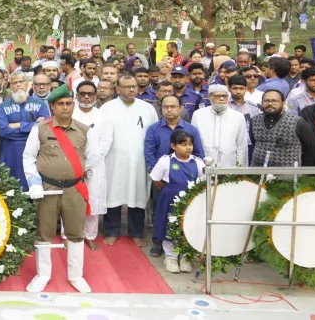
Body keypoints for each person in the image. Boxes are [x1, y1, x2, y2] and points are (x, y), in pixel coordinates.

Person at [23, 85, 91, 293]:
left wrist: (75, 174)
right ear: (52, 106)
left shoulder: (84, 130)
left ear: (74, 104)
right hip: (47, 188)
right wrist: (34, 183)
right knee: (44, 232)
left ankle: (76, 275)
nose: (65, 107)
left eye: (69, 103)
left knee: (76, 233)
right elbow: (28, 158)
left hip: (74, 189)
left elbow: (91, 158)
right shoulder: (40, 129)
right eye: (60, 104)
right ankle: (43, 274)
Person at [102, 74, 158, 247]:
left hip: (138, 161)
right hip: (113, 160)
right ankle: (112, 231)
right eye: (127, 87)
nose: (132, 89)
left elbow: (153, 135)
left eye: (134, 86)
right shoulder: (107, 108)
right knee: (112, 193)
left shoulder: (147, 109)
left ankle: (136, 232)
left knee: (137, 194)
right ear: (118, 89)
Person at [151, 130, 205, 273]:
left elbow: (203, 181)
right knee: (170, 227)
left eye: (190, 144)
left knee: (188, 227)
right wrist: (169, 189)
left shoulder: (198, 163)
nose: (188, 147)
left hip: (191, 202)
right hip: (170, 200)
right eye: (183, 144)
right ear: (173, 146)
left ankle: (186, 255)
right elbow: (156, 178)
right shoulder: (165, 161)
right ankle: (171, 257)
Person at [71, 81, 113, 251]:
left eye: (90, 94)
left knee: (93, 200)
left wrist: (87, 165)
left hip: (95, 167)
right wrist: (78, 166)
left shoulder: (103, 117)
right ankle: (71, 235)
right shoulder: (70, 114)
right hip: (72, 166)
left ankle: (89, 236)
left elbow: (105, 144)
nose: (86, 97)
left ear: (96, 97)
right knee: (71, 202)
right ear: (77, 95)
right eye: (82, 93)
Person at [0, 72, 50, 190]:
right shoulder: (2, 107)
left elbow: (44, 127)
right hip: (12, 152)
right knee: (12, 187)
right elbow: (3, 131)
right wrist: (33, 126)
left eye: (21, 82)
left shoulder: (40, 104)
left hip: (36, 151)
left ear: (27, 84)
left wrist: (18, 125)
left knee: (35, 186)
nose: (18, 85)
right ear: (10, 86)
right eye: (15, 82)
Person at [251, 90, 315, 167]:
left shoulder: (297, 122)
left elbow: (312, 150)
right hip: (257, 173)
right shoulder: (254, 120)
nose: (270, 104)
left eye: (274, 101)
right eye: (266, 101)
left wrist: (304, 173)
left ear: (283, 103)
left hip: (288, 176)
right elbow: (254, 143)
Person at [191, 84, 248, 167]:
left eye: (224, 96)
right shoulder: (198, 115)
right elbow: (194, 142)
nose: (221, 99)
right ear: (209, 97)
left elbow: (242, 146)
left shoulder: (238, 117)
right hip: (203, 164)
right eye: (218, 96)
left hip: (230, 165)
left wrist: (240, 169)